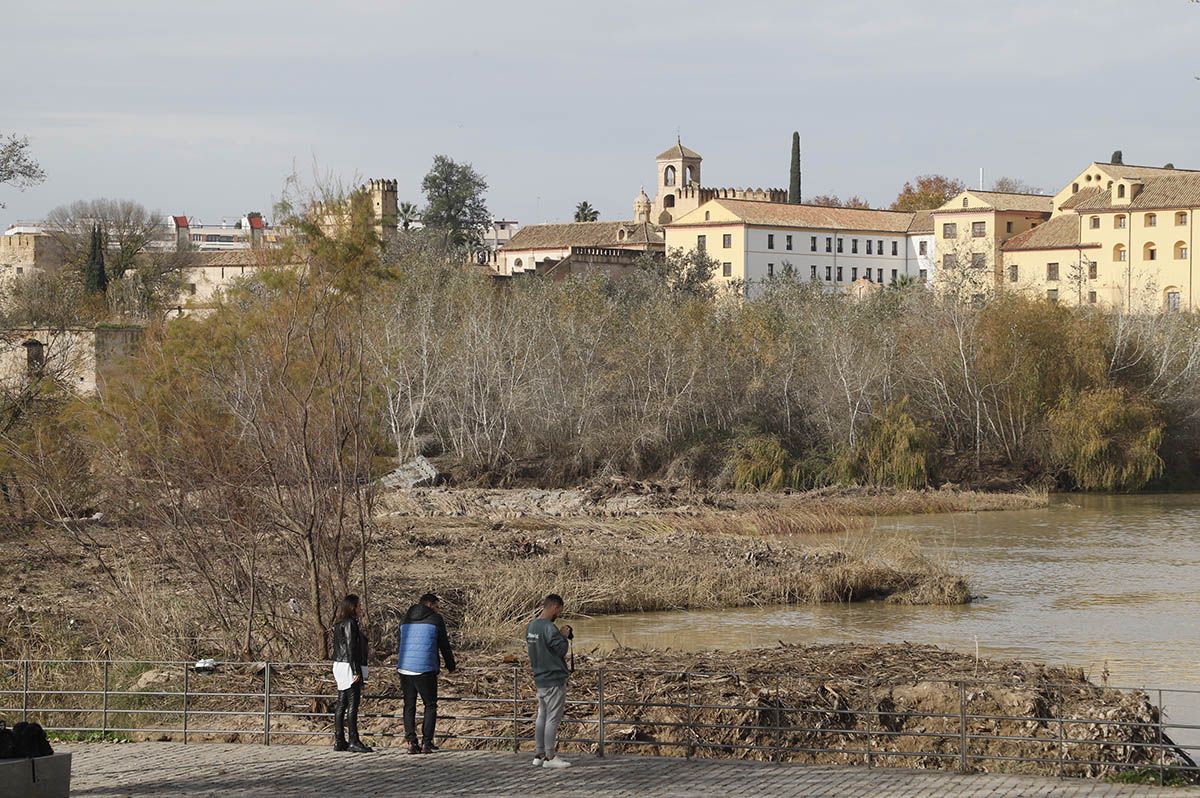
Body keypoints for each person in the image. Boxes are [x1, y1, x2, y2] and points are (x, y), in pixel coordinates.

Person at [396, 592, 457, 754]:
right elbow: (444, 644)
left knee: (409, 705)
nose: (438, 610)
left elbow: (400, 643)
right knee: (430, 705)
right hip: (425, 669)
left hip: (404, 668)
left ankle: (411, 742)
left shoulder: (405, 618)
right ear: (430, 605)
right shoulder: (436, 620)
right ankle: (426, 743)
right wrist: (451, 666)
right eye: (437, 607)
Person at [525, 593, 572, 769]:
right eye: (559, 610)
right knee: (553, 717)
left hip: (540, 677)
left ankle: (539, 753)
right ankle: (550, 756)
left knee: (541, 716)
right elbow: (560, 650)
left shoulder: (531, 626)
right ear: (554, 607)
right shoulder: (549, 628)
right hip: (553, 678)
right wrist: (564, 635)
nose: (558, 614)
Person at [331, 594, 372, 753]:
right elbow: (351, 648)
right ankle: (353, 740)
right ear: (352, 607)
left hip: (339, 664)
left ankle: (339, 740)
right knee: (353, 703)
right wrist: (356, 670)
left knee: (342, 703)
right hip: (348, 665)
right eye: (359, 605)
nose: (360, 608)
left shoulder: (339, 623)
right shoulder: (350, 623)